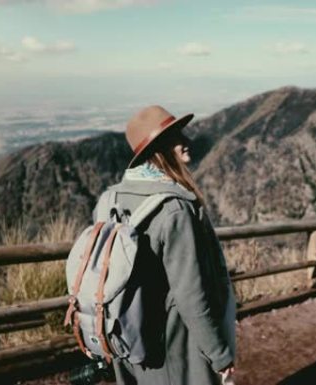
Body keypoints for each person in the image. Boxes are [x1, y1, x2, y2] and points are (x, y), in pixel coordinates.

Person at [96, 105, 236, 385]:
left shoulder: (109, 200)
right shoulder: (174, 209)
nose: (188, 142)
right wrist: (219, 354)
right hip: (172, 348)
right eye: (175, 137)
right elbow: (191, 295)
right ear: (158, 149)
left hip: (126, 339)